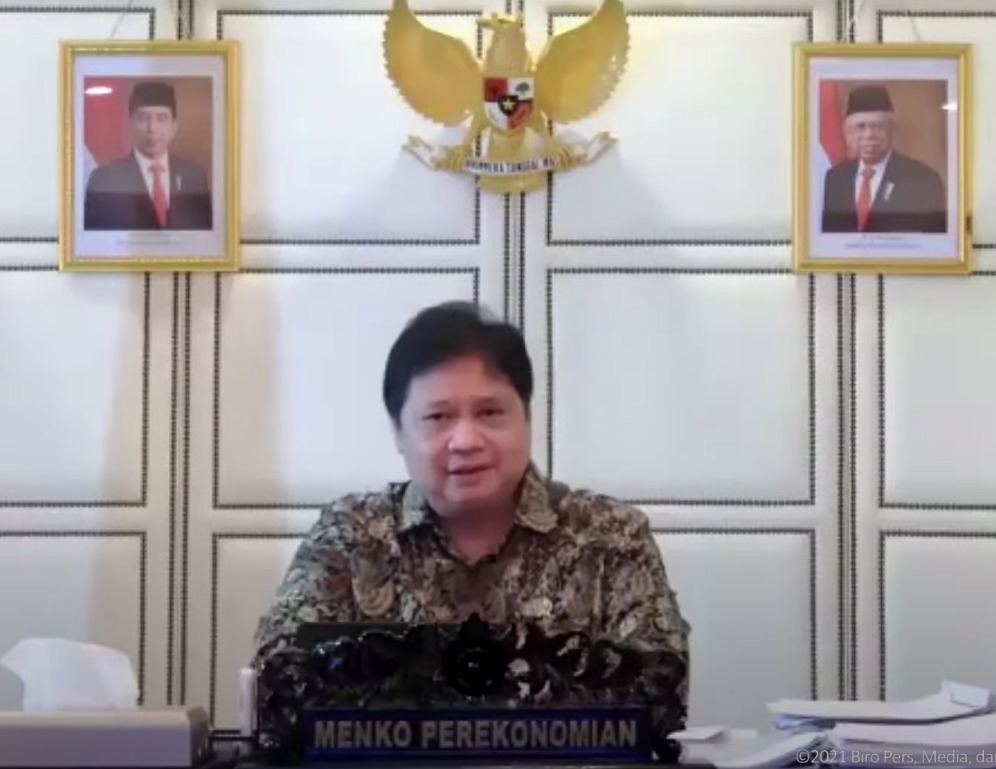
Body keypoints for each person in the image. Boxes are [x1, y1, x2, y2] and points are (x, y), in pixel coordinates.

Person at [251, 301, 691, 710]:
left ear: (527, 417)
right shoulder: (349, 535)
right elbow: (278, 678)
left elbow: (660, 687)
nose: (465, 441)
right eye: (438, 417)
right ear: (398, 431)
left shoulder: (609, 535)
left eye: (490, 413)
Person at [83, 81, 212, 231]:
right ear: (130, 124)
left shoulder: (194, 175)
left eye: (161, 118)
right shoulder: (104, 178)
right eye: (142, 118)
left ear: (174, 127)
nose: (152, 129)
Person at [821, 84, 947, 234]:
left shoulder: (923, 180)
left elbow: (934, 241)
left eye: (878, 126)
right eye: (860, 127)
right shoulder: (835, 178)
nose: (869, 135)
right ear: (847, 133)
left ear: (891, 130)